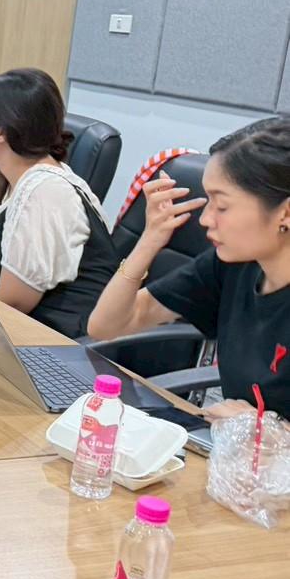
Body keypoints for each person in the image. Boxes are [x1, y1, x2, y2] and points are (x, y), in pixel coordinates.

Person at [87, 116, 290, 420]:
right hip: (232, 445)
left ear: (285, 213)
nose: (205, 219)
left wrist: (265, 428)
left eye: (222, 206)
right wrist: (150, 240)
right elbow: (105, 326)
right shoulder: (233, 266)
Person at [0, 68, 117, 338]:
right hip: (24, 327)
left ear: (1, 131)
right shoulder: (8, 177)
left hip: (64, 342)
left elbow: (15, 301)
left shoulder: (46, 193)